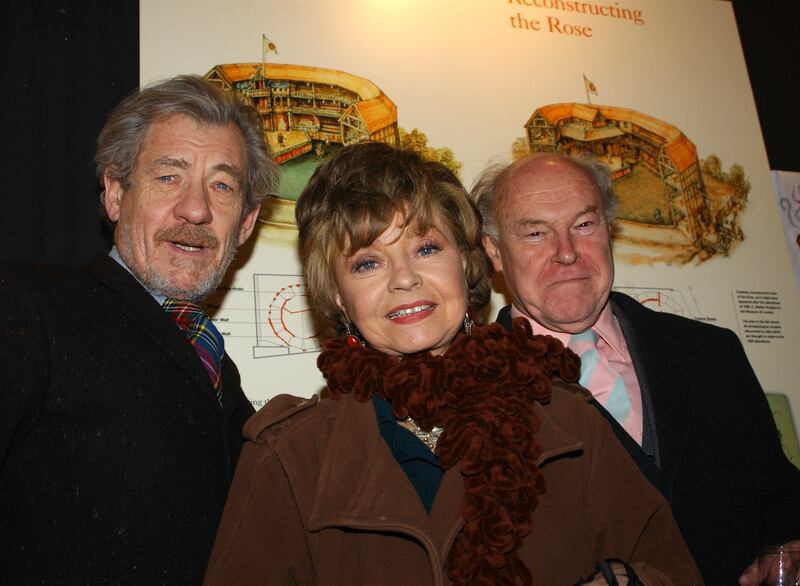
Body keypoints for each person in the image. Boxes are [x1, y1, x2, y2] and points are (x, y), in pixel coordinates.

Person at [204, 142, 701, 585]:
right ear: (336, 295)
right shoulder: (289, 455)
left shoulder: (569, 418)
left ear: (464, 261)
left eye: (426, 248)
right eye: (367, 263)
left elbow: (670, 568)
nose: (404, 279)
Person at [472, 151, 800, 586]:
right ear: (494, 251)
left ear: (610, 229)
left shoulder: (711, 354)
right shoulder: (469, 388)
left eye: (584, 225)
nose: (567, 253)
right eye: (535, 233)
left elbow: (777, 496)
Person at [0, 75, 278, 583]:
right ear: (114, 193)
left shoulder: (221, 375)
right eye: (168, 176)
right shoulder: (26, 306)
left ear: (246, 222)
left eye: (222, 185)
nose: (195, 209)